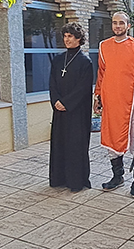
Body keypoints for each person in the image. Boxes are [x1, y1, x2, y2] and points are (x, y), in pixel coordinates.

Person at [94, 11, 134, 198]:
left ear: (128, 26)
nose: (118, 26)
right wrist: (98, 97)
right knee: (111, 139)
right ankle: (117, 176)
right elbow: (101, 74)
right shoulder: (104, 46)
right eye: (115, 23)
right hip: (111, 102)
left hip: (133, 104)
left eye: (121, 23)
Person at [48, 22, 93, 192]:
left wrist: (66, 103)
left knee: (75, 145)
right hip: (59, 111)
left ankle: (76, 181)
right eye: (65, 36)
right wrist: (56, 101)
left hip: (76, 112)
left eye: (70, 36)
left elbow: (83, 88)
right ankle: (58, 178)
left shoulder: (85, 62)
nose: (67, 40)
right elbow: (52, 83)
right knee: (59, 144)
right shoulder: (58, 59)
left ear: (79, 39)